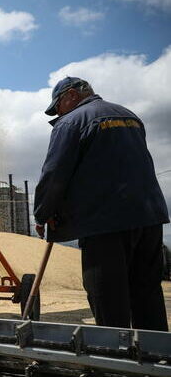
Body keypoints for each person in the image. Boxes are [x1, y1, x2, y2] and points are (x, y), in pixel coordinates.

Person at [34, 76, 169, 331]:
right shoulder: (130, 116)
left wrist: (42, 213)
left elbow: (54, 173)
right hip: (149, 218)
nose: (58, 112)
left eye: (57, 106)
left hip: (104, 222)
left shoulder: (72, 121)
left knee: (107, 295)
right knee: (147, 293)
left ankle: (113, 358)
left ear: (71, 95)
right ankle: (155, 358)